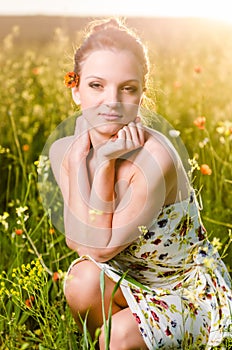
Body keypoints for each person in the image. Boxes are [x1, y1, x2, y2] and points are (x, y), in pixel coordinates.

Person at [49, 18, 232, 350]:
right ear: (75, 89)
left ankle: (123, 340)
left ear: (141, 94)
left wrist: (104, 162)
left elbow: (102, 249)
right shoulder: (68, 151)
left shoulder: (154, 157)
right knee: (80, 280)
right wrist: (79, 160)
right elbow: (80, 241)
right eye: (96, 86)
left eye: (127, 88)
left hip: (185, 294)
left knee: (115, 335)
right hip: (131, 282)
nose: (112, 101)